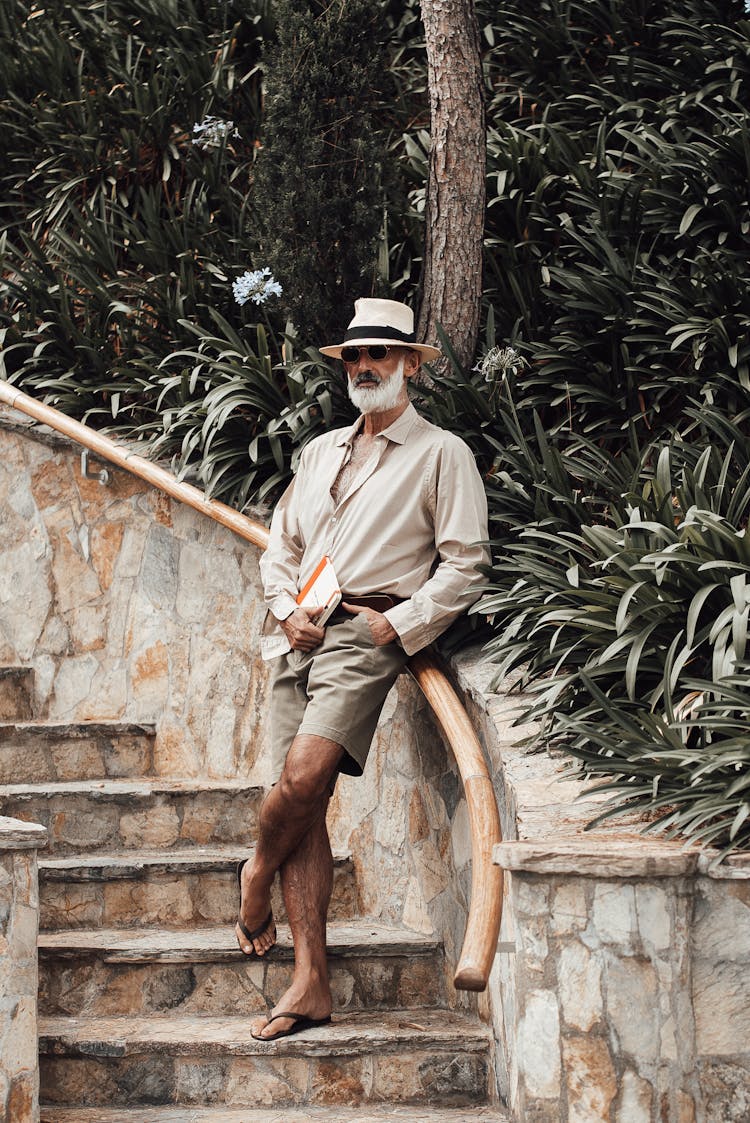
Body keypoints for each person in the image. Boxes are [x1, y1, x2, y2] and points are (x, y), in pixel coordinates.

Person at [237, 297, 489, 1042]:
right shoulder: (317, 452)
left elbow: (467, 564)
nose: (365, 366)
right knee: (299, 798)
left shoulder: (443, 453)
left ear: (410, 362)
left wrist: (400, 623)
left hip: (363, 634)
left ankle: (253, 872)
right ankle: (311, 979)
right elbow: (279, 545)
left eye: (380, 353)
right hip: (298, 635)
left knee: (305, 775)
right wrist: (285, 608)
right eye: (353, 355)